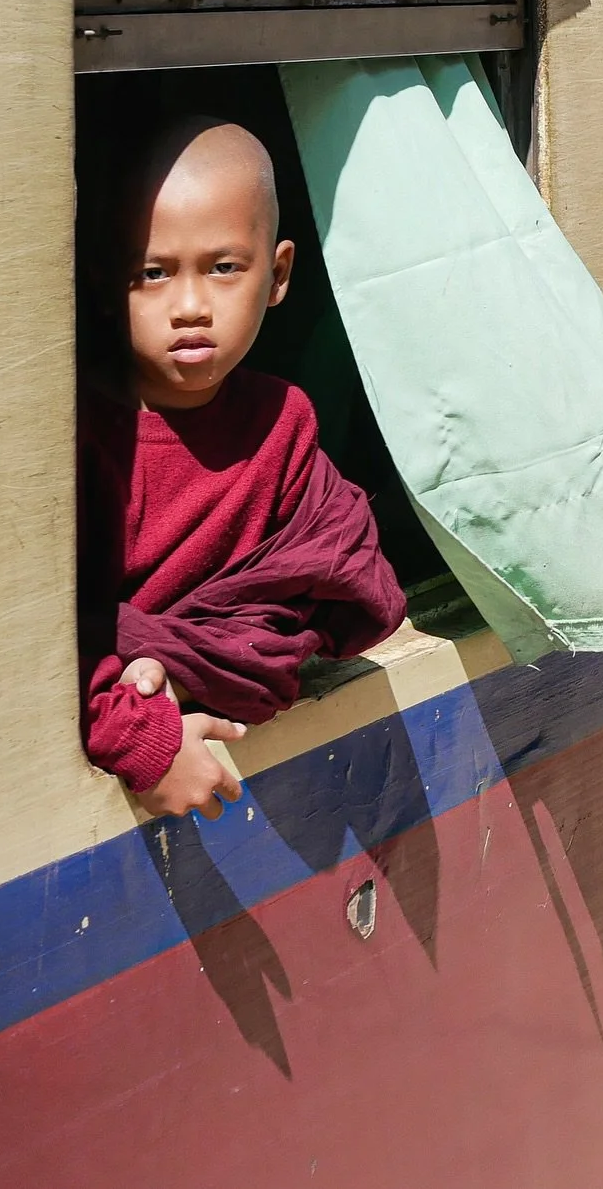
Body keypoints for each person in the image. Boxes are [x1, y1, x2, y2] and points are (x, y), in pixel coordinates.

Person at [77, 116, 407, 821]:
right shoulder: (79, 441)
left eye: (225, 268)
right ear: (107, 284)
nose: (191, 307)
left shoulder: (282, 423)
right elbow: (36, 643)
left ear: (279, 273)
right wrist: (137, 729)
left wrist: (181, 667)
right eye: (153, 273)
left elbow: (349, 586)